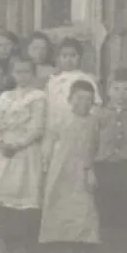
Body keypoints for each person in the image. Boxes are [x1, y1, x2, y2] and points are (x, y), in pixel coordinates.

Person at [0, 57, 46, 253]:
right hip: (3, 149)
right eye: (18, 72)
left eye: (27, 72)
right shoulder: (4, 97)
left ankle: (24, 242)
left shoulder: (38, 97)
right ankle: (6, 241)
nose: (22, 76)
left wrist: (18, 145)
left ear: (33, 74)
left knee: (24, 191)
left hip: (24, 150)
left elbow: (37, 127)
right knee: (2, 193)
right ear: (12, 74)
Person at [40, 79, 100, 253]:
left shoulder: (94, 122)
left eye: (88, 99)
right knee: (61, 211)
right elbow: (48, 144)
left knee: (84, 212)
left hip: (83, 170)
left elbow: (94, 147)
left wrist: (91, 169)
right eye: (79, 98)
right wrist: (45, 166)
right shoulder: (60, 119)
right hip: (61, 171)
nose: (83, 103)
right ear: (69, 99)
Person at [90, 68, 127, 253]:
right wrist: (90, 169)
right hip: (104, 167)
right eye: (116, 88)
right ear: (108, 91)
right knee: (106, 212)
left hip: (126, 168)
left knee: (125, 212)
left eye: (126, 89)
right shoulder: (100, 114)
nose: (121, 93)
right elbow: (91, 144)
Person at [43, 38, 101, 166]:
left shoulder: (85, 79)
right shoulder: (53, 81)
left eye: (73, 55)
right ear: (58, 58)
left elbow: (94, 106)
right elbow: (47, 105)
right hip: (55, 127)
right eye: (64, 56)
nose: (69, 60)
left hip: (78, 128)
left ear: (79, 57)